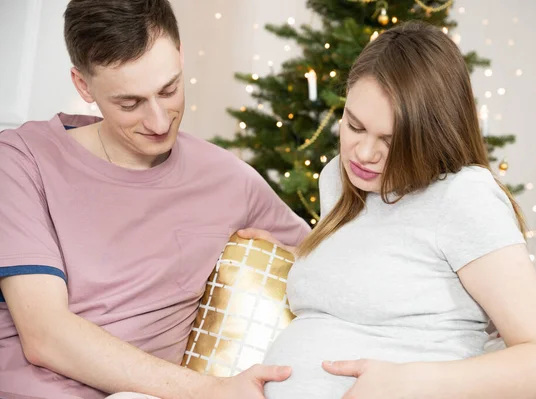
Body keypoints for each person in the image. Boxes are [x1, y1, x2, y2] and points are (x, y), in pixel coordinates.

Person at [0, 1, 309, 398]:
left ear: (180, 58)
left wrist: (289, 254)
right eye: (130, 104)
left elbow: (332, 267)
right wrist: (209, 391)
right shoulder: (21, 160)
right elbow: (45, 335)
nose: (160, 122)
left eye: (170, 90)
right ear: (83, 85)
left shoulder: (229, 179)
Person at [258, 21, 536, 399]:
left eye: (390, 142)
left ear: (431, 136)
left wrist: (404, 382)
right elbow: (376, 269)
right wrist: (288, 255)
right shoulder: (340, 180)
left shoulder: (463, 196)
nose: (364, 153)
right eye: (355, 126)